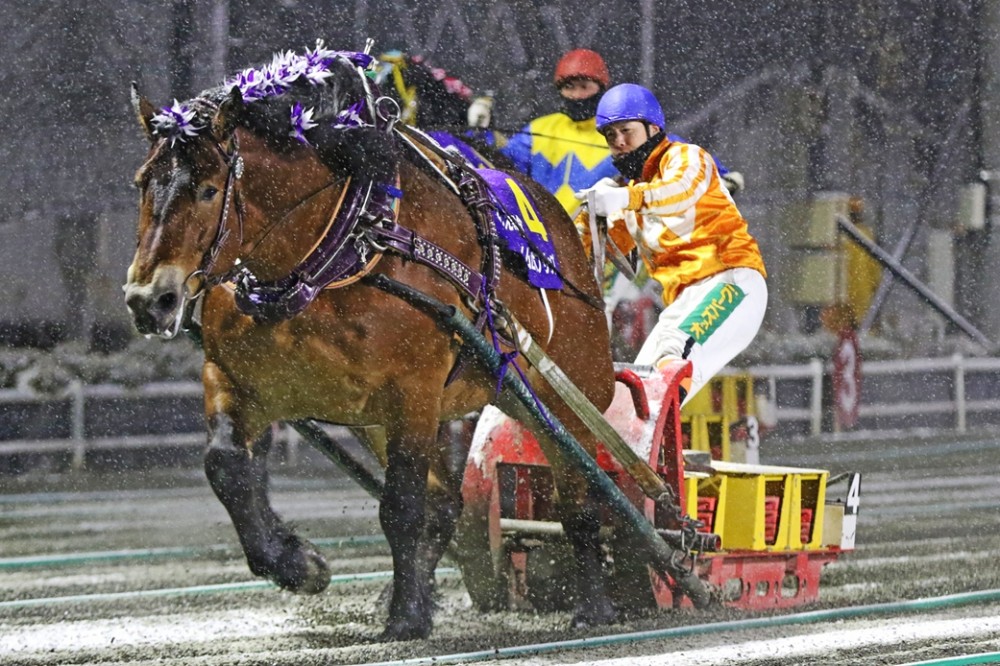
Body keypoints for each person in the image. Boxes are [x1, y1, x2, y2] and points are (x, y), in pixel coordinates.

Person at [574, 83, 767, 404]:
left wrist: (623, 197)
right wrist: (589, 216)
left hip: (732, 282)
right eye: (610, 136)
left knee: (669, 357)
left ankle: (649, 446)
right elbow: (591, 251)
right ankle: (635, 454)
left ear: (653, 129)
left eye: (627, 131)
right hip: (682, 304)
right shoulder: (630, 195)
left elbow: (677, 193)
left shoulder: (687, 157)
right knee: (633, 392)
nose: (619, 142)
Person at [500, 49, 618, 214]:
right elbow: (501, 164)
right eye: (569, 87)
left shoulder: (619, 133)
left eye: (584, 87)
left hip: (599, 234)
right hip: (544, 233)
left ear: (601, 88)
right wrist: (481, 131)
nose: (577, 95)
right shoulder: (538, 129)